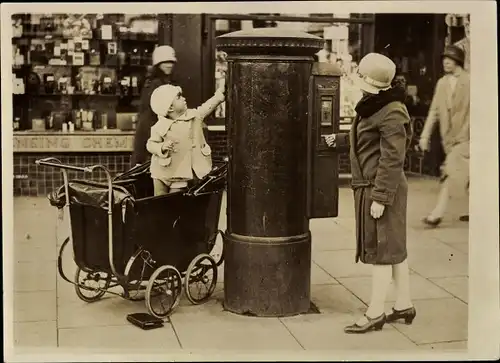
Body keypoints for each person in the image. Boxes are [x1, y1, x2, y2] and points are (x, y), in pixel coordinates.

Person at [324, 53, 416, 334]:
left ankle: (375, 312)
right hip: (375, 188)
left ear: (372, 83)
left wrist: (381, 198)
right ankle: (403, 304)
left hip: (381, 190)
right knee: (393, 249)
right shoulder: (374, 104)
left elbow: (392, 157)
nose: (357, 81)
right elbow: (369, 139)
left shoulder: (392, 111)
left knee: (380, 252)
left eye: (361, 77)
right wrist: (339, 140)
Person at [418, 45, 470, 227]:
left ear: (459, 61)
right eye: (444, 58)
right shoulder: (441, 83)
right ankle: (473, 209)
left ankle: (436, 214)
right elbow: (434, 111)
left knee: (449, 172)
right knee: (467, 175)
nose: (446, 61)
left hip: (467, 138)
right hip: (448, 138)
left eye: (450, 58)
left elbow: (474, 113)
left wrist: (464, 134)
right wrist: (424, 135)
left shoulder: (469, 81)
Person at [146, 81, 226, 196]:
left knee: (175, 200)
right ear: (170, 108)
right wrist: (161, 147)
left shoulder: (194, 116)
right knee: (159, 199)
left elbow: (206, 107)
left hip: (180, 172)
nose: (183, 98)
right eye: (178, 97)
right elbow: (151, 144)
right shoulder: (159, 126)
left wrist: (219, 95)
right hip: (161, 170)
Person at [131, 45, 177, 166]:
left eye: (171, 62)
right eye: (166, 62)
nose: (170, 65)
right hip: (151, 128)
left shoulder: (158, 82)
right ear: (158, 63)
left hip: (153, 128)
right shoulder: (156, 84)